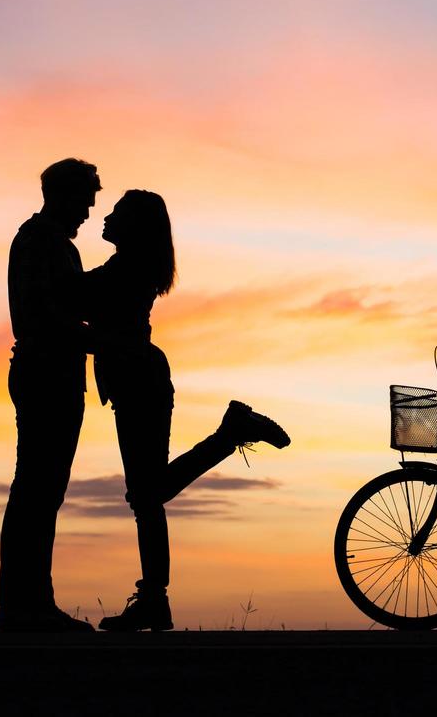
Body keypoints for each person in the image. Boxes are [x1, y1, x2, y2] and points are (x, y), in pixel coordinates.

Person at [85, 189, 290, 632]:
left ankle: (231, 433)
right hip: (138, 381)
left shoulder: (127, 268)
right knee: (147, 495)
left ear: (135, 225)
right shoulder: (129, 266)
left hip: (140, 381)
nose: (107, 217)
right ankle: (154, 600)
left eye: (117, 212)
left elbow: (82, 302)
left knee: (146, 495)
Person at [0, 158, 101, 633]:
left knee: (41, 491)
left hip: (51, 373)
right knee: (36, 490)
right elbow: (43, 315)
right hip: (45, 374)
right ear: (61, 195)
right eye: (84, 201)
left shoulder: (49, 242)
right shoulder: (41, 242)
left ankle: (30, 603)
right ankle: (24, 607)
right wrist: (95, 338)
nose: (87, 213)